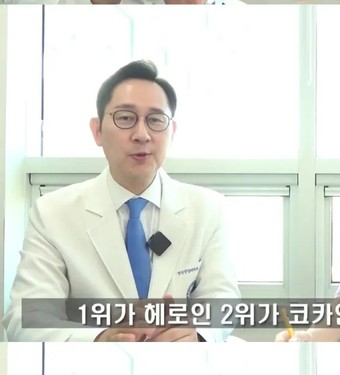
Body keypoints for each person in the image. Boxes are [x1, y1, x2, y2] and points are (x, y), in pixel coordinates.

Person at [6, 60, 239, 339]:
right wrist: (99, 338)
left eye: (155, 120)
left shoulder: (209, 209)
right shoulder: (52, 214)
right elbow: (25, 318)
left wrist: (197, 334)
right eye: (125, 118)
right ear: (97, 131)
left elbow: (223, 300)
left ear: (172, 132)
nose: (142, 135)